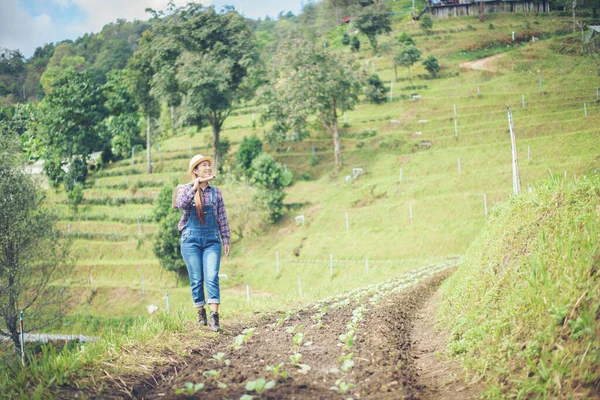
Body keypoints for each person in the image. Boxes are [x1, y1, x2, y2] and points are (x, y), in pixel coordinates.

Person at [175, 154, 231, 332]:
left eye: (209, 165)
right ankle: (201, 316)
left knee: (212, 276)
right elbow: (181, 204)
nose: (207, 168)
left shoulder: (216, 192)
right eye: (203, 165)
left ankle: (215, 318)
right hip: (190, 239)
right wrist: (195, 187)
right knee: (197, 279)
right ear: (195, 171)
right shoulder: (185, 189)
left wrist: (226, 239)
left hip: (212, 240)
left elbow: (222, 217)